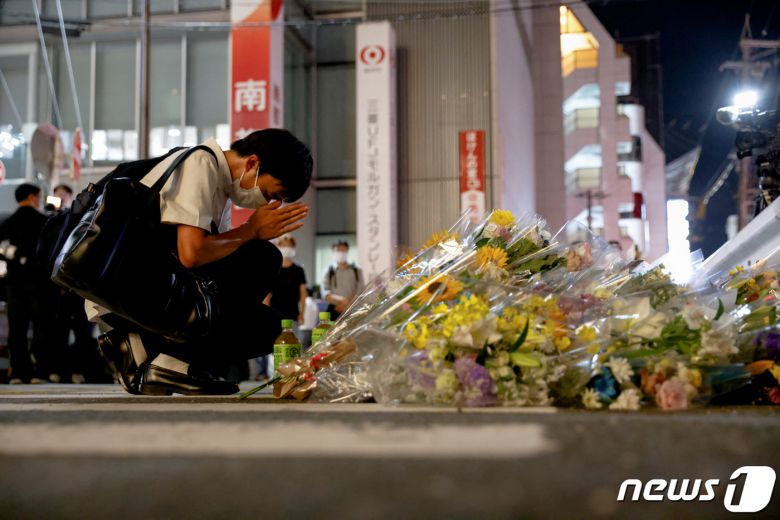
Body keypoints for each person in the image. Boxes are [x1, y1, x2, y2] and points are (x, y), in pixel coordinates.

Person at [94, 129, 312, 396]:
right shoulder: (201, 163)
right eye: (271, 194)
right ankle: (172, 360)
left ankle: (146, 351)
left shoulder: (222, 192)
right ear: (253, 163)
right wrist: (250, 231)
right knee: (264, 257)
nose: (271, 204)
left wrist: (245, 235)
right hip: (127, 283)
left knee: (271, 328)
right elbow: (192, 254)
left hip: (156, 287)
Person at [0, 184, 56, 383]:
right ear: (33, 197)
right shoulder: (44, 222)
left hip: (14, 283)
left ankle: (17, 372)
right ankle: (40, 371)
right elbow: (52, 253)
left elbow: (1, 251)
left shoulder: (7, 223)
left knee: (17, 328)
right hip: (40, 282)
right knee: (42, 327)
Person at [321, 240, 364, 321]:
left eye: (343, 250)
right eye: (338, 250)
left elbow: (360, 291)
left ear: (347, 251)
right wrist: (343, 301)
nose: (341, 253)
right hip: (334, 309)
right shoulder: (328, 271)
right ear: (333, 252)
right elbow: (325, 294)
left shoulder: (357, 270)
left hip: (352, 309)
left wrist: (347, 305)